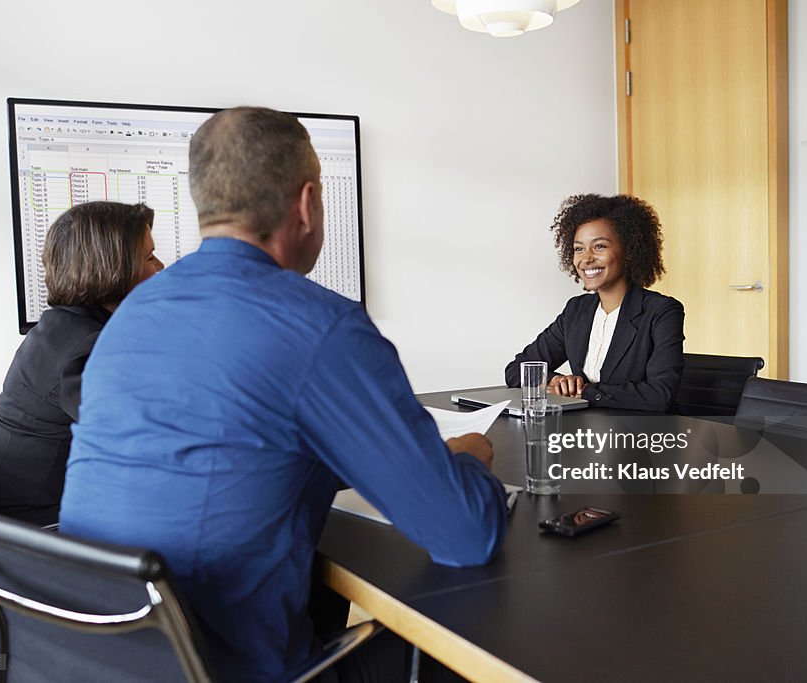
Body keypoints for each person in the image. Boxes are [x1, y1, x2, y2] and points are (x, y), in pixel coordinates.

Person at [59, 107, 507, 682]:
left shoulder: (132, 314)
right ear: (307, 203)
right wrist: (468, 462)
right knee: (463, 630)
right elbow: (465, 535)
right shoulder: (320, 327)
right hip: (221, 668)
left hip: (90, 652)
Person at [0, 202, 163, 526]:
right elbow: (145, 443)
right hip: (27, 540)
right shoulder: (84, 345)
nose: (161, 267)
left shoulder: (63, 328)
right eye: (149, 257)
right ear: (113, 268)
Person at [505, 194, 684, 412]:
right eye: (579, 248)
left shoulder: (661, 312)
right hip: (585, 430)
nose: (586, 258)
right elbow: (516, 370)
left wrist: (585, 391)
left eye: (599, 246)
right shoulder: (576, 310)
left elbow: (659, 395)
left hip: (640, 436)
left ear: (628, 250)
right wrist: (555, 382)